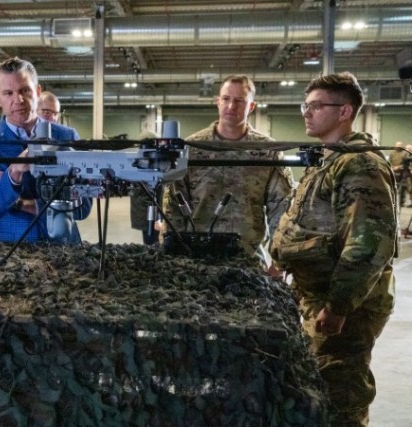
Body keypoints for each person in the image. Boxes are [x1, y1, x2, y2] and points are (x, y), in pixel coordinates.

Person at [271, 72, 397, 426]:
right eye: (305, 106)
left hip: (344, 305)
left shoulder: (358, 163)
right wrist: (279, 260)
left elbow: (369, 245)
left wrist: (339, 307)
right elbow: (305, 221)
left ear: (344, 112)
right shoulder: (329, 159)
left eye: (315, 106)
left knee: (340, 391)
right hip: (317, 295)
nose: (306, 113)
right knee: (318, 384)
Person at [163, 74, 294, 267]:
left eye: (239, 101)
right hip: (197, 257)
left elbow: (282, 209)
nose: (231, 106)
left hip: (247, 257)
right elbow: (173, 204)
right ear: (218, 102)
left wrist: (279, 260)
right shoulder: (192, 148)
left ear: (251, 107)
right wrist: (173, 253)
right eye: (226, 99)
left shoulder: (267, 151)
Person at [0, 57, 91, 243]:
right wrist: (14, 171)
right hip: (11, 256)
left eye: (25, 90)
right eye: (8, 93)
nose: (18, 100)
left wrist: (27, 204)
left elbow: (84, 208)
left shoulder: (67, 137)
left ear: (38, 91)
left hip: (64, 252)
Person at [129, 129, 163, 246]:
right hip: (148, 214)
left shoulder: (138, 162)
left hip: (146, 213)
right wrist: (157, 217)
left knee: (149, 241)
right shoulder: (147, 164)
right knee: (152, 242)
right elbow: (149, 194)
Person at [388, 141, 410, 208]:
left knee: (402, 187)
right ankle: (391, 200)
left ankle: (401, 202)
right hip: (393, 171)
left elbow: (406, 163)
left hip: (402, 172)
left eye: (400, 145)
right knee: (392, 186)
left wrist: (399, 167)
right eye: (397, 145)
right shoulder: (392, 153)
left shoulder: (405, 153)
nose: (398, 147)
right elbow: (389, 161)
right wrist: (392, 167)